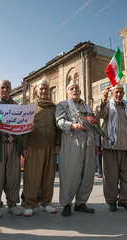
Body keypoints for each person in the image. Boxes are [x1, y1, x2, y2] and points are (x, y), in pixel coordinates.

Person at [55, 81, 99, 217]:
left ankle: (81, 203)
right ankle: (67, 204)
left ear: (80, 91)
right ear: (67, 92)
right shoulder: (63, 105)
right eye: (71, 88)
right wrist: (73, 125)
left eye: (77, 88)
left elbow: (95, 125)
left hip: (89, 142)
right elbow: (59, 121)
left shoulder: (87, 106)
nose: (74, 90)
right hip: (72, 141)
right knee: (70, 173)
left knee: (87, 174)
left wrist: (97, 144)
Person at [96, 84, 127, 212]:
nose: (119, 94)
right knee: (110, 177)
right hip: (110, 146)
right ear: (112, 93)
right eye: (116, 92)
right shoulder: (108, 105)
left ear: (124, 93)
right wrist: (103, 99)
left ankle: (123, 199)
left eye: (121, 92)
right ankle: (112, 201)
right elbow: (99, 114)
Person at [22, 78, 61, 217]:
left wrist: (57, 144)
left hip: (50, 146)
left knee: (48, 176)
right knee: (32, 177)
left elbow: (58, 128)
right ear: (36, 91)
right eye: (41, 88)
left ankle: (46, 203)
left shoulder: (54, 108)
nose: (44, 91)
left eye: (46, 89)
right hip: (34, 146)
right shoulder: (30, 107)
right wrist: (24, 148)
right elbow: (25, 129)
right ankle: (30, 204)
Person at [0, 79, 22, 218]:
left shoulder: (16, 105)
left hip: (13, 145)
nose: (5, 90)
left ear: (11, 88)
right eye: (2, 87)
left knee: (13, 176)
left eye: (7, 87)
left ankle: (12, 204)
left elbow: (21, 124)